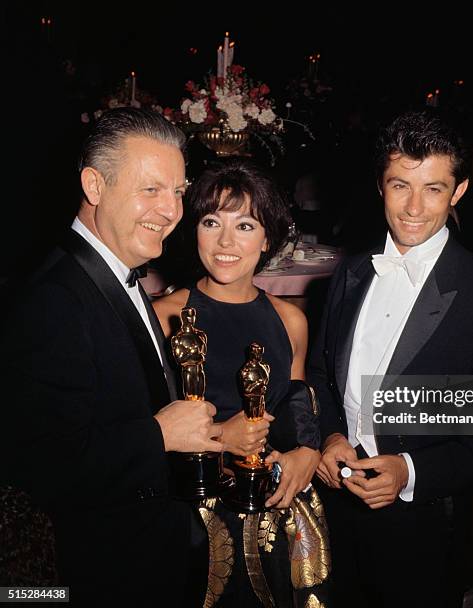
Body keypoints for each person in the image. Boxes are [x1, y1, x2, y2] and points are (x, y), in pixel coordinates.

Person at [0, 108, 223, 607]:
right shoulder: (52, 298)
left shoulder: (114, 270)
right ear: (94, 185)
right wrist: (161, 435)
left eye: (178, 191)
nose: (171, 211)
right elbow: (39, 466)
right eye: (151, 190)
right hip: (96, 575)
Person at [308, 110, 473, 607]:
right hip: (334, 507)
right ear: (380, 186)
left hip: (423, 526)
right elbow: (320, 374)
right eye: (399, 185)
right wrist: (331, 435)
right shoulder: (350, 274)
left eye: (432, 188)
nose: (412, 207)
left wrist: (410, 471)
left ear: (458, 191)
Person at [153, 158, 329, 608]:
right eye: (212, 222)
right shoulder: (166, 315)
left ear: (268, 237)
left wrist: (307, 452)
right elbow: (144, 427)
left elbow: (295, 401)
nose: (226, 241)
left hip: (269, 510)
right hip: (191, 517)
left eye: (245, 225)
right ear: (194, 230)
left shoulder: (290, 320)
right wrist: (220, 437)